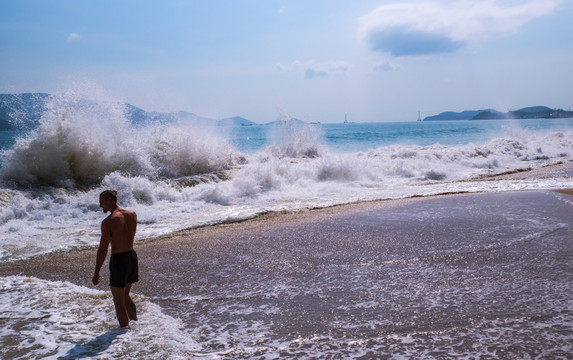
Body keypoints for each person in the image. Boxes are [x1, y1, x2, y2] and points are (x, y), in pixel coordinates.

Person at [92, 190, 139, 328]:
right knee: (125, 296)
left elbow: (102, 250)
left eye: (101, 202)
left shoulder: (109, 222)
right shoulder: (132, 214)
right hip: (131, 257)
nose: (100, 206)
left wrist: (96, 272)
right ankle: (136, 325)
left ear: (109, 200)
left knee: (118, 300)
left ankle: (124, 333)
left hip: (119, 260)